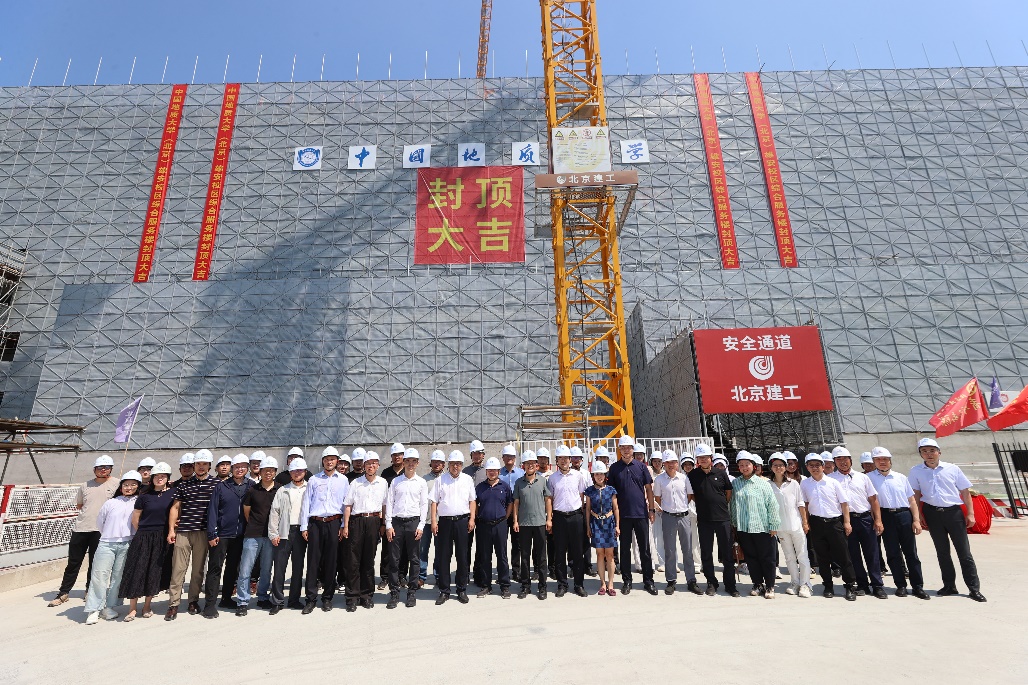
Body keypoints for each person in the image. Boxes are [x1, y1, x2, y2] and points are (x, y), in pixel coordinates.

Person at [908, 437, 985, 601]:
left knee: (964, 552)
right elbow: (915, 494)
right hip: (932, 513)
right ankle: (949, 585)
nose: (929, 454)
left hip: (953, 513)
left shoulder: (952, 469)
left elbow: (965, 491)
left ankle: (973, 588)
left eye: (932, 450)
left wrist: (970, 513)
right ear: (920, 454)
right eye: (924, 451)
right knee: (942, 552)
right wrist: (918, 515)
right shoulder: (916, 471)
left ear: (939, 452)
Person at [49, 455, 119, 607]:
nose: (103, 470)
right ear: (94, 469)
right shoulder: (85, 485)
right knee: (73, 562)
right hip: (81, 528)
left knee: (95, 563)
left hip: (101, 531)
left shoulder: (117, 484)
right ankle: (63, 592)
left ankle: (89, 590)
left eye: (106, 467)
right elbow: (80, 505)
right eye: (100, 467)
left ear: (111, 469)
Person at [867, 446, 930, 600]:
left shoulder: (900, 477)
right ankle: (900, 585)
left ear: (890, 461)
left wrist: (916, 520)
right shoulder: (868, 478)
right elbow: (870, 502)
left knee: (911, 553)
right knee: (893, 553)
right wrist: (877, 520)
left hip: (904, 515)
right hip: (885, 516)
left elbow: (911, 500)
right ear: (874, 462)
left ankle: (918, 586)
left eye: (885, 459)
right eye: (878, 459)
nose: (882, 462)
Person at [83, 471, 141, 625]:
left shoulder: (139, 502)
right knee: (99, 576)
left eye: (133, 484)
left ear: (138, 486)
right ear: (121, 487)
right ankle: (94, 609)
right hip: (107, 543)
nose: (129, 487)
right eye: (126, 484)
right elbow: (100, 522)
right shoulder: (111, 502)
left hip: (127, 543)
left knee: (118, 577)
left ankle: (109, 607)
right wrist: (109, 535)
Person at [166, 449, 217, 620]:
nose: (201, 467)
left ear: (209, 466)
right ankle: (173, 604)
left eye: (204, 464)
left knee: (197, 570)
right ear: (194, 465)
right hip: (184, 532)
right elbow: (175, 507)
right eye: (198, 464)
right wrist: (171, 530)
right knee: (178, 569)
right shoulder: (184, 484)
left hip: (203, 532)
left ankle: (193, 601)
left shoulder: (216, 484)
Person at [829, 446, 887, 599]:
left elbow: (873, 500)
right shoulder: (831, 479)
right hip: (845, 521)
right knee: (853, 555)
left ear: (851, 460)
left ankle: (877, 585)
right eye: (839, 459)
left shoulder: (862, 477)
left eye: (845, 459)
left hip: (865, 519)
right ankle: (862, 584)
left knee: (872, 553)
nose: (843, 462)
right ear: (834, 462)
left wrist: (878, 520)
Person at [119, 462, 175, 620]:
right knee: (137, 570)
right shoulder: (144, 496)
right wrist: (144, 533)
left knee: (154, 572)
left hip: (162, 537)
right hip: (143, 536)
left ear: (168, 478)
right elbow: (135, 519)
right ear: (152, 478)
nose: (159, 478)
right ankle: (132, 609)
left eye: (163, 476)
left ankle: (147, 606)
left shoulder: (173, 494)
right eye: (157, 476)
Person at [800, 453, 857, 600]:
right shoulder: (805, 484)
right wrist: (805, 522)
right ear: (807, 467)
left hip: (834, 523)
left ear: (823, 466)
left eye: (817, 465)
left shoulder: (833, 482)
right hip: (817, 523)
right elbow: (805, 504)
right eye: (811, 465)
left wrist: (847, 522)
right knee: (822, 557)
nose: (814, 468)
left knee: (843, 555)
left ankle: (850, 585)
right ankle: (828, 585)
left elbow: (844, 503)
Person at [299, 446, 349, 614]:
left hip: (334, 523)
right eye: (327, 459)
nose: (329, 462)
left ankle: (327, 598)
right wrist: (304, 526)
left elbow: (346, 504)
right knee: (313, 562)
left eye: (332, 459)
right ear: (323, 461)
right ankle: (310, 599)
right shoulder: (314, 479)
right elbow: (306, 503)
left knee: (331, 562)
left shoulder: (343, 480)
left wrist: (343, 525)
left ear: (337, 461)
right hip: (316, 523)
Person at [202, 453, 252, 618]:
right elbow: (212, 511)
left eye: (243, 467)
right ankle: (210, 604)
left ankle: (226, 598)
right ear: (232, 468)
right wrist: (212, 533)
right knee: (215, 568)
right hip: (221, 535)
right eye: (236, 467)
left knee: (233, 568)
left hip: (241, 535)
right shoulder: (222, 486)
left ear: (247, 468)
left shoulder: (251, 486)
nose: (240, 469)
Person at [608, 435, 658, 595]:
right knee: (625, 550)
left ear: (633, 449)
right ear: (619, 449)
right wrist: (614, 515)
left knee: (645, 549)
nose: (626, 450)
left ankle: (648, 581)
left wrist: (651, 510)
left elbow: (648, 489)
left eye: (628, 447)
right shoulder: (614, 468)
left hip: (641, 514)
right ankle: (627, 581)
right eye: (623, 448)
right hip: (623, 516)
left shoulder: (641, 467)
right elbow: (612, 494)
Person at [729, 453, 781, 598]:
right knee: (751, 558)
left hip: (762, 527)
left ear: (754, 466)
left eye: (747, 464)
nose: (744, 467)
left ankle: (770, 586)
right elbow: (733, 505)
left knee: (767, 558)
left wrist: (774, 525)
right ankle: (757, 584)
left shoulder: (763, 484)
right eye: (741, 465)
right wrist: (734, 524)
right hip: (744, 528)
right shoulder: (735, 483)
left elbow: (772, 505)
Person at [688, 444, 737, 597]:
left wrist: (719, 504)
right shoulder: (693, 475)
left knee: (727, 553)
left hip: (722, 519)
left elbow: (728, 492)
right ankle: (711, 582)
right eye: (700, 458)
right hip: (704, 520)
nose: (703, 460)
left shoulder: (720, 473)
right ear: (697, 459)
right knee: (706, 553)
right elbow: (692, 494)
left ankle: (730, 584)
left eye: (706, 457)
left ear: (711, 458)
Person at [234, 456, 281, 615]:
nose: (268, 473)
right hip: (253, 534)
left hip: (271, 535)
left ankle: (262, 597)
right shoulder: (252, 490)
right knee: (245, 569)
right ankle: (242, 601)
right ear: (260, 472)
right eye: (265, 470)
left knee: (266, 569)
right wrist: (255, 524)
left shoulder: (280, 490)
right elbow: (247, 511)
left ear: (275, 472)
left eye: (271, 470)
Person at [430, 450, 477, 605]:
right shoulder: (440, 480)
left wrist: (472, 518)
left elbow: (472, 501)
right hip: (445, 522)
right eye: (452, 464)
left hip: (462, 521)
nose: (455, 466)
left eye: (458, 464)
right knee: (444, 556)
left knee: (462, 556)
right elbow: (434, 502)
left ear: (462, 465)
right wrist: (434, 521)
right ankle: (444, 591)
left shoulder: (467, 479)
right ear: (448, 465)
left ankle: (461, 589)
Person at [652, 450, 701, 595]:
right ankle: (671, 580)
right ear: (664, 464)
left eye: (673, 462)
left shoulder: (684, 478)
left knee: (688, 550)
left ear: (677, 463)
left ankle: (691, 580)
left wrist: (681, 507)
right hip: (668, 517)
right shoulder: (659, 480)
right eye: (667, 462)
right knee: (670, 550)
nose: (671, 465)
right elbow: (657, 498)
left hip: (684, 516)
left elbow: (690, 495)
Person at [385, 448, 428, 608]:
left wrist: (421, 525)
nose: (410, 464)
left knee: (414, 559)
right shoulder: (396, 482)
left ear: (417, 463)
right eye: (408, 461)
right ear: (403, 463)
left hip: (413, 523)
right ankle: (394, 593)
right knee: (394, 559)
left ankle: (411, 592)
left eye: (413, 461)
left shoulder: (421, 482)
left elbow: (424, 505)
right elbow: (389, 503)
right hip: (396, 523)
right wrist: (388, 524)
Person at [268, 457, 309, 613]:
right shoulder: (283, 490)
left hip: (301, 532)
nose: (297, 473)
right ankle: (277, 601)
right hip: (284, 532)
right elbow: (274, 512)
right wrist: (273, 533)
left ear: (305, 472)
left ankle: (294, 599)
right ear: (290, 473)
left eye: (300, 470)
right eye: (294, 471)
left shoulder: (309, 488)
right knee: (279, 567)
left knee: (298, 567)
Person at [767, 454, 811, 597]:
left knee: (802, 555)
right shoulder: (768, 485)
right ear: (771, 467)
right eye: (775, 465)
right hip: (781, 527)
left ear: (785, 467)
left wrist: (805, 522)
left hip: (796, 525)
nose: (778, 468)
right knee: (789, 557)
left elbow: (800, 503)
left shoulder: (793, 484)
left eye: (781, 465)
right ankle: (795, 582)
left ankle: (805, 584)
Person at [548, 445, 588, 597]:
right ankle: (562, 584)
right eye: (560, 458)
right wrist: (550, 518)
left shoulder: (578, 476)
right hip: (559, 517)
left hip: (576, 516)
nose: (563, 461)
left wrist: (580, 514)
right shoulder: (552, 478)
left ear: (570, 460)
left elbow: (582, 496)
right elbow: (550, 499)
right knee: (559, 552)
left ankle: (579, 584)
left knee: (577, 552)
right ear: (557, 461)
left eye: (566, 458)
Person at [512, 450, 552, 600]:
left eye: (532, 463)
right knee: (524, 556)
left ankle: (542, 586)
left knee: (541, 557)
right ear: (523, 465)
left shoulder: (542, 481)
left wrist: (549, 519)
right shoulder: (519, 483)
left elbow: (548, 500)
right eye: (527, 463)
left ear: (536, 465)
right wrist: (515, 521)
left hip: (540, 523)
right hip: (524, 524)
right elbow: (516, 503)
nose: (530, 466)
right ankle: (525, 586)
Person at [474, 456, 514, 598]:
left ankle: (505, 586)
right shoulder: (480, 487)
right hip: (484, 525)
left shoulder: (504, 486)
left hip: (500, 525)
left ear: (498, 471)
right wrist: (480, 516)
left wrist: (505, 517)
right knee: (485, 556)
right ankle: (486, 586)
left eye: (494, 470)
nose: (492, 472)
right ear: (486, 471)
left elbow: (510, 503)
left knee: (502, 556)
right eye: (489, 470)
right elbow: (475, 504)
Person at [584, 460, 619, 596]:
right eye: (597, 474)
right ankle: (602, 583)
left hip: (609, 524)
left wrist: (617, 525)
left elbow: (615, 508)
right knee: (600, 554)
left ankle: (611, 583)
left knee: (610, 555)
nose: (599, 476)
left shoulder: (611, 490)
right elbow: (587, 509)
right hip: (596, 523)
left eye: (602, 474)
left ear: (605, 475)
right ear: (593, 475)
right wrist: (588, 526)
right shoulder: (589, 491)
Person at [378, 443, 407, 591]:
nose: (397, 457)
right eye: (394, 455)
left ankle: (401, 575)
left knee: (404, 548)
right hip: (390, 516)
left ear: (403, 456)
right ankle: (385, 577)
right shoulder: (386, 473)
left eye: (399, 454)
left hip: (404, 516)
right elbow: (383, 498)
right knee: (387, 548)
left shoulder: (408, 472)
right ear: (391, 457)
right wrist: (383, 522)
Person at [418, 450, 447, 588]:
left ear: (443, 464)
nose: (436, 464)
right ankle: (421, 576)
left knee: (440, 550)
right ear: (430, 463)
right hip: (426, 520)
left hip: (441, 521)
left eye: (439, 462)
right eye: (434, 462)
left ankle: (438, 575)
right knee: (422, 550)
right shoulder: (424, 480)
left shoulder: (446, 479)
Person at [498, 444, 525, 584]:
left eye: (512, 456)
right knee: (501, 543)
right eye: (507, 456)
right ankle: (502, 573)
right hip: (502, 512)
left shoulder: (521, 473)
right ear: (503, 458)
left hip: (517, 512)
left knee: (517, 543)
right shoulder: (498, 473)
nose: (509, 458)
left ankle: (516, 571)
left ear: (515, 458)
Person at [569, 446, 596, 578]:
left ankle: (587, 565)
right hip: (572, 509)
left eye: (578, 458)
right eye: (574, 458)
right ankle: (572, 566)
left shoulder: (586, 474)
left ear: (581, 459)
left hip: (585, 508)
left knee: (586, 537)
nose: (576, 460)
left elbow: (590, 491)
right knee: (572, 539)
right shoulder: (567, 473)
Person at [680, 452, 703, 574]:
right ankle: (695, 563)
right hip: (686, 511)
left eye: (690, 464)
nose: (688, 466)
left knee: (701, 538)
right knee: (691, 539)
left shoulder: (698, 476)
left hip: (700, 510)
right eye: (685, 464)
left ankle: (701, 562)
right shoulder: (681, 478)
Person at [645, 447, 666, 573]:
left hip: (666, 509)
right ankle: (657, 562)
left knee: (668, 538)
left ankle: (670, 562)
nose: (657, 463)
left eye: (659, 461)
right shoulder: (648, 473)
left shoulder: (666, 474)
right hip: (653, 509)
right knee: (655, 537)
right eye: (655, 461)